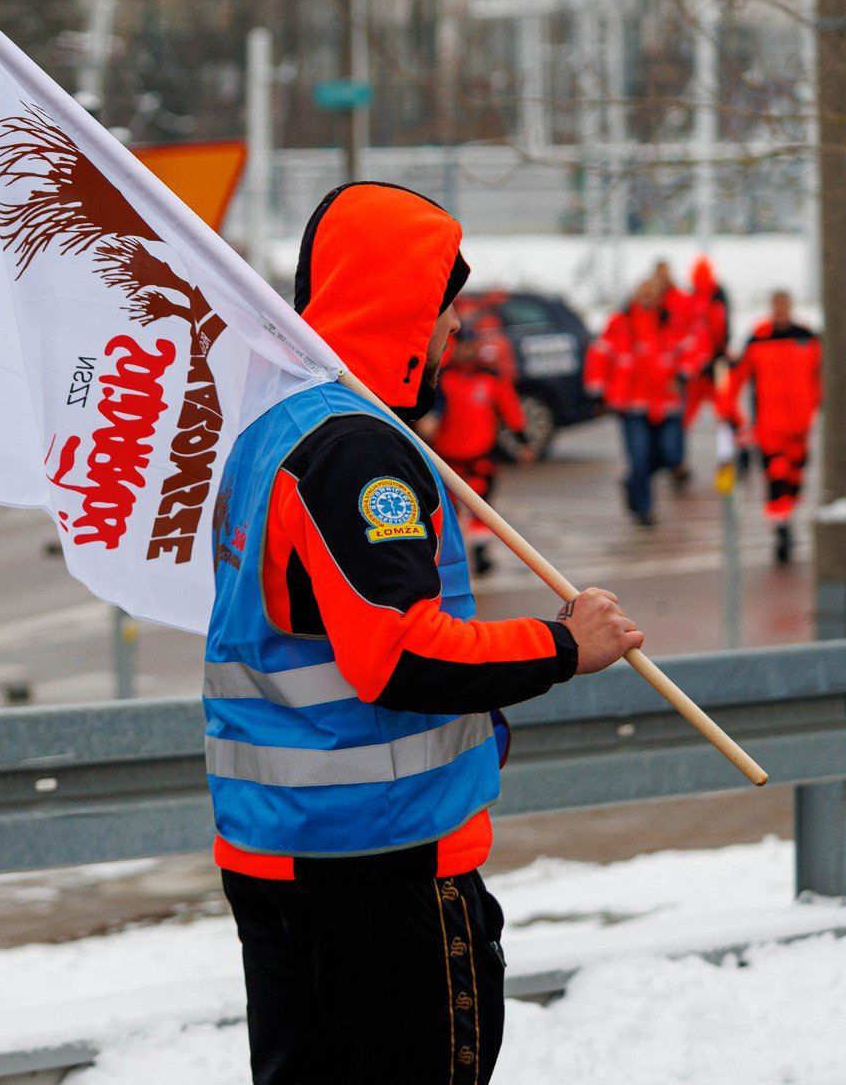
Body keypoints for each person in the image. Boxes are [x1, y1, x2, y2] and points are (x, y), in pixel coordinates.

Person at [206, 181, 644, 1085]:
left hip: (284, 854)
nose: (454, 326)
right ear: (400, 306)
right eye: (444, 302)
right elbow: (399, 654)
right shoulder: (358, 453)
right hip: (381, 865)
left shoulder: (273, 428)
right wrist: (566, 645)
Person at [585, 276, 702, 526]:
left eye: (652, 292)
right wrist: (597, 389)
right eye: (643, 291)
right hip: (633, 405)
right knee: (638, 458)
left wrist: (682, 375)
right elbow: (600, 354)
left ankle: (634, 483)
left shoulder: (670, 321)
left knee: (671, 455)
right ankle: (642, 508)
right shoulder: (620, 322)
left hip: (667, 403)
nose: (648, 296)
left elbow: (692, 349)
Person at [719, 289, 823, 564]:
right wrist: (732, 415)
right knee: (777, 474)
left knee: (795, 478)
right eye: (777, 306)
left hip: (800, 425)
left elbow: (819, 377)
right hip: (769, 426)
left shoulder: (807, 338)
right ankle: (781, 528)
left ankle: (787, 517)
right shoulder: (758, 339)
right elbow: (737, 378)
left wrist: (815, 405)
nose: (781, 311)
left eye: (785, 306)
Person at [429, 333, 528, 578]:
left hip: (480, 455)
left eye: (472, 346)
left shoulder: (490, 378)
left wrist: (521, 440)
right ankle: (447, 559)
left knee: (481, 508)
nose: (467, 352)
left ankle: (481, 554)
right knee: (446, 512)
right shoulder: (442, 378)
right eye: (463, 346)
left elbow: (510, 409)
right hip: (447, 458)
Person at [680, 255, 731, 429]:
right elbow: (723, 329)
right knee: (724, 407)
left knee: (723, 406)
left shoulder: (699, 298)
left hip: (706, 363)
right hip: (707, 363)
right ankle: (731, 440)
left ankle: (732, 439)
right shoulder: (717, 298)